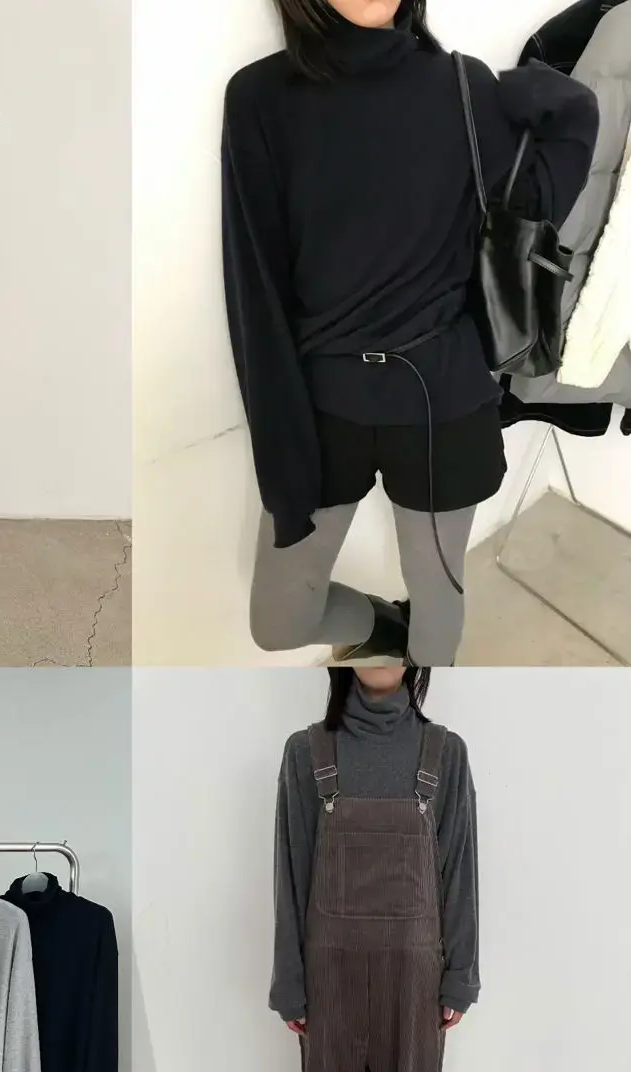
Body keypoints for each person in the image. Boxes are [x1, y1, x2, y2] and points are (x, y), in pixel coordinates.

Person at [223, 0, 597, 670]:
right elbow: (255, 289)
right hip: (321, 408)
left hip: (444, 402)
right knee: (279, 621)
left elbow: (538, 205)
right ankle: (388, 630)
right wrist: (278, 438)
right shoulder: (260, 97)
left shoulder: (465, 86)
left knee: (439, 612)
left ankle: (416, 703)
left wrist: (552, 96)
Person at [271, 660, 478, 1072]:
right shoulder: (307, 752)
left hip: (415, 974)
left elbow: (460, 870)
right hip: (328, 971)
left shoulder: (444, 753)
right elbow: (290, 872)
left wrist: (460, 977)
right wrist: (290, 983)